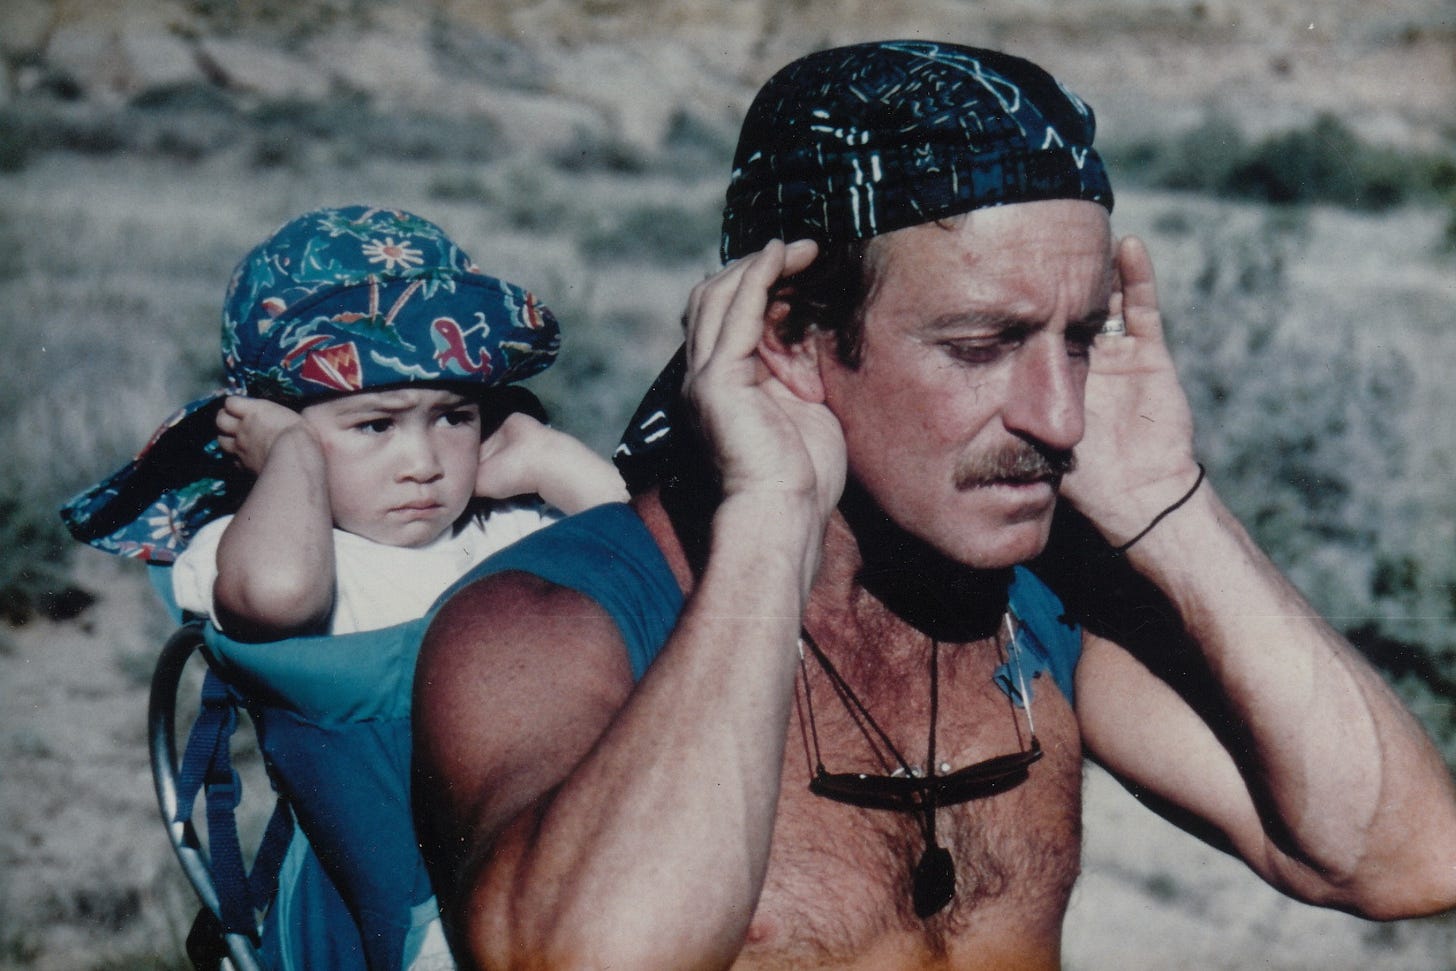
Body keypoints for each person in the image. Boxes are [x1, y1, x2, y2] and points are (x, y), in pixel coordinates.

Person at [412, 42, 1456, 969]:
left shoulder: (1035, 606)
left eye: (1079, 338)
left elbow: (1405, 858)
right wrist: (772, 520)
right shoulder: (550, 623)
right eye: (981, 346)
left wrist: (1168, 505)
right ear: (790, 336)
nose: (1059, 414)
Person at [64, 204, 627, 638]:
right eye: (376, 426)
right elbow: (280, 595)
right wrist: (292, 457)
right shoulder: (250, 544)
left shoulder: (510, 528)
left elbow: (656, 570)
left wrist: (546, 456)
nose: (423, 465)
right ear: (268, 430)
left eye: (453, 419)